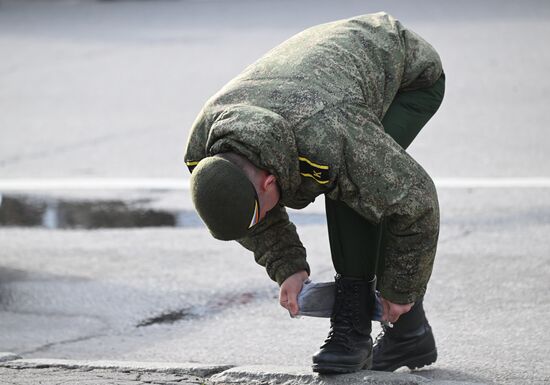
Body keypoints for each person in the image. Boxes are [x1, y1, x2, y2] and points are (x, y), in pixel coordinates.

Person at [184, 12, 445, 374]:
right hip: (323, 77)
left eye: (255, 216)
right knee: (352, 177)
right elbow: (247, 212)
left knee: (356, 190)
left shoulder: (327, 135)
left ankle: (352, 328)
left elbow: (416, 203)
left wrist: (401, 290)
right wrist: (287, 267)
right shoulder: (206, 151)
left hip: (406, 72)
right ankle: (410, 335)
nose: (255, 225)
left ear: (269, 183)